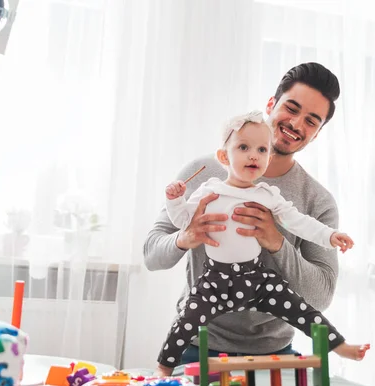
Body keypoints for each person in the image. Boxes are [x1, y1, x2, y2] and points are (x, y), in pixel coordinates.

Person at [143, 62, 349, 369]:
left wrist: (276, 242)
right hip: (196, 346)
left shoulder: (317, 200)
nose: (296, 124)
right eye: (291, 108)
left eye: (311, 121)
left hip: (273, 357)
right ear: (270, 105)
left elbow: (320, 296)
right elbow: (151, 255)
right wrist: (184, 238)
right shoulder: (204, 173)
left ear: (317, 133)